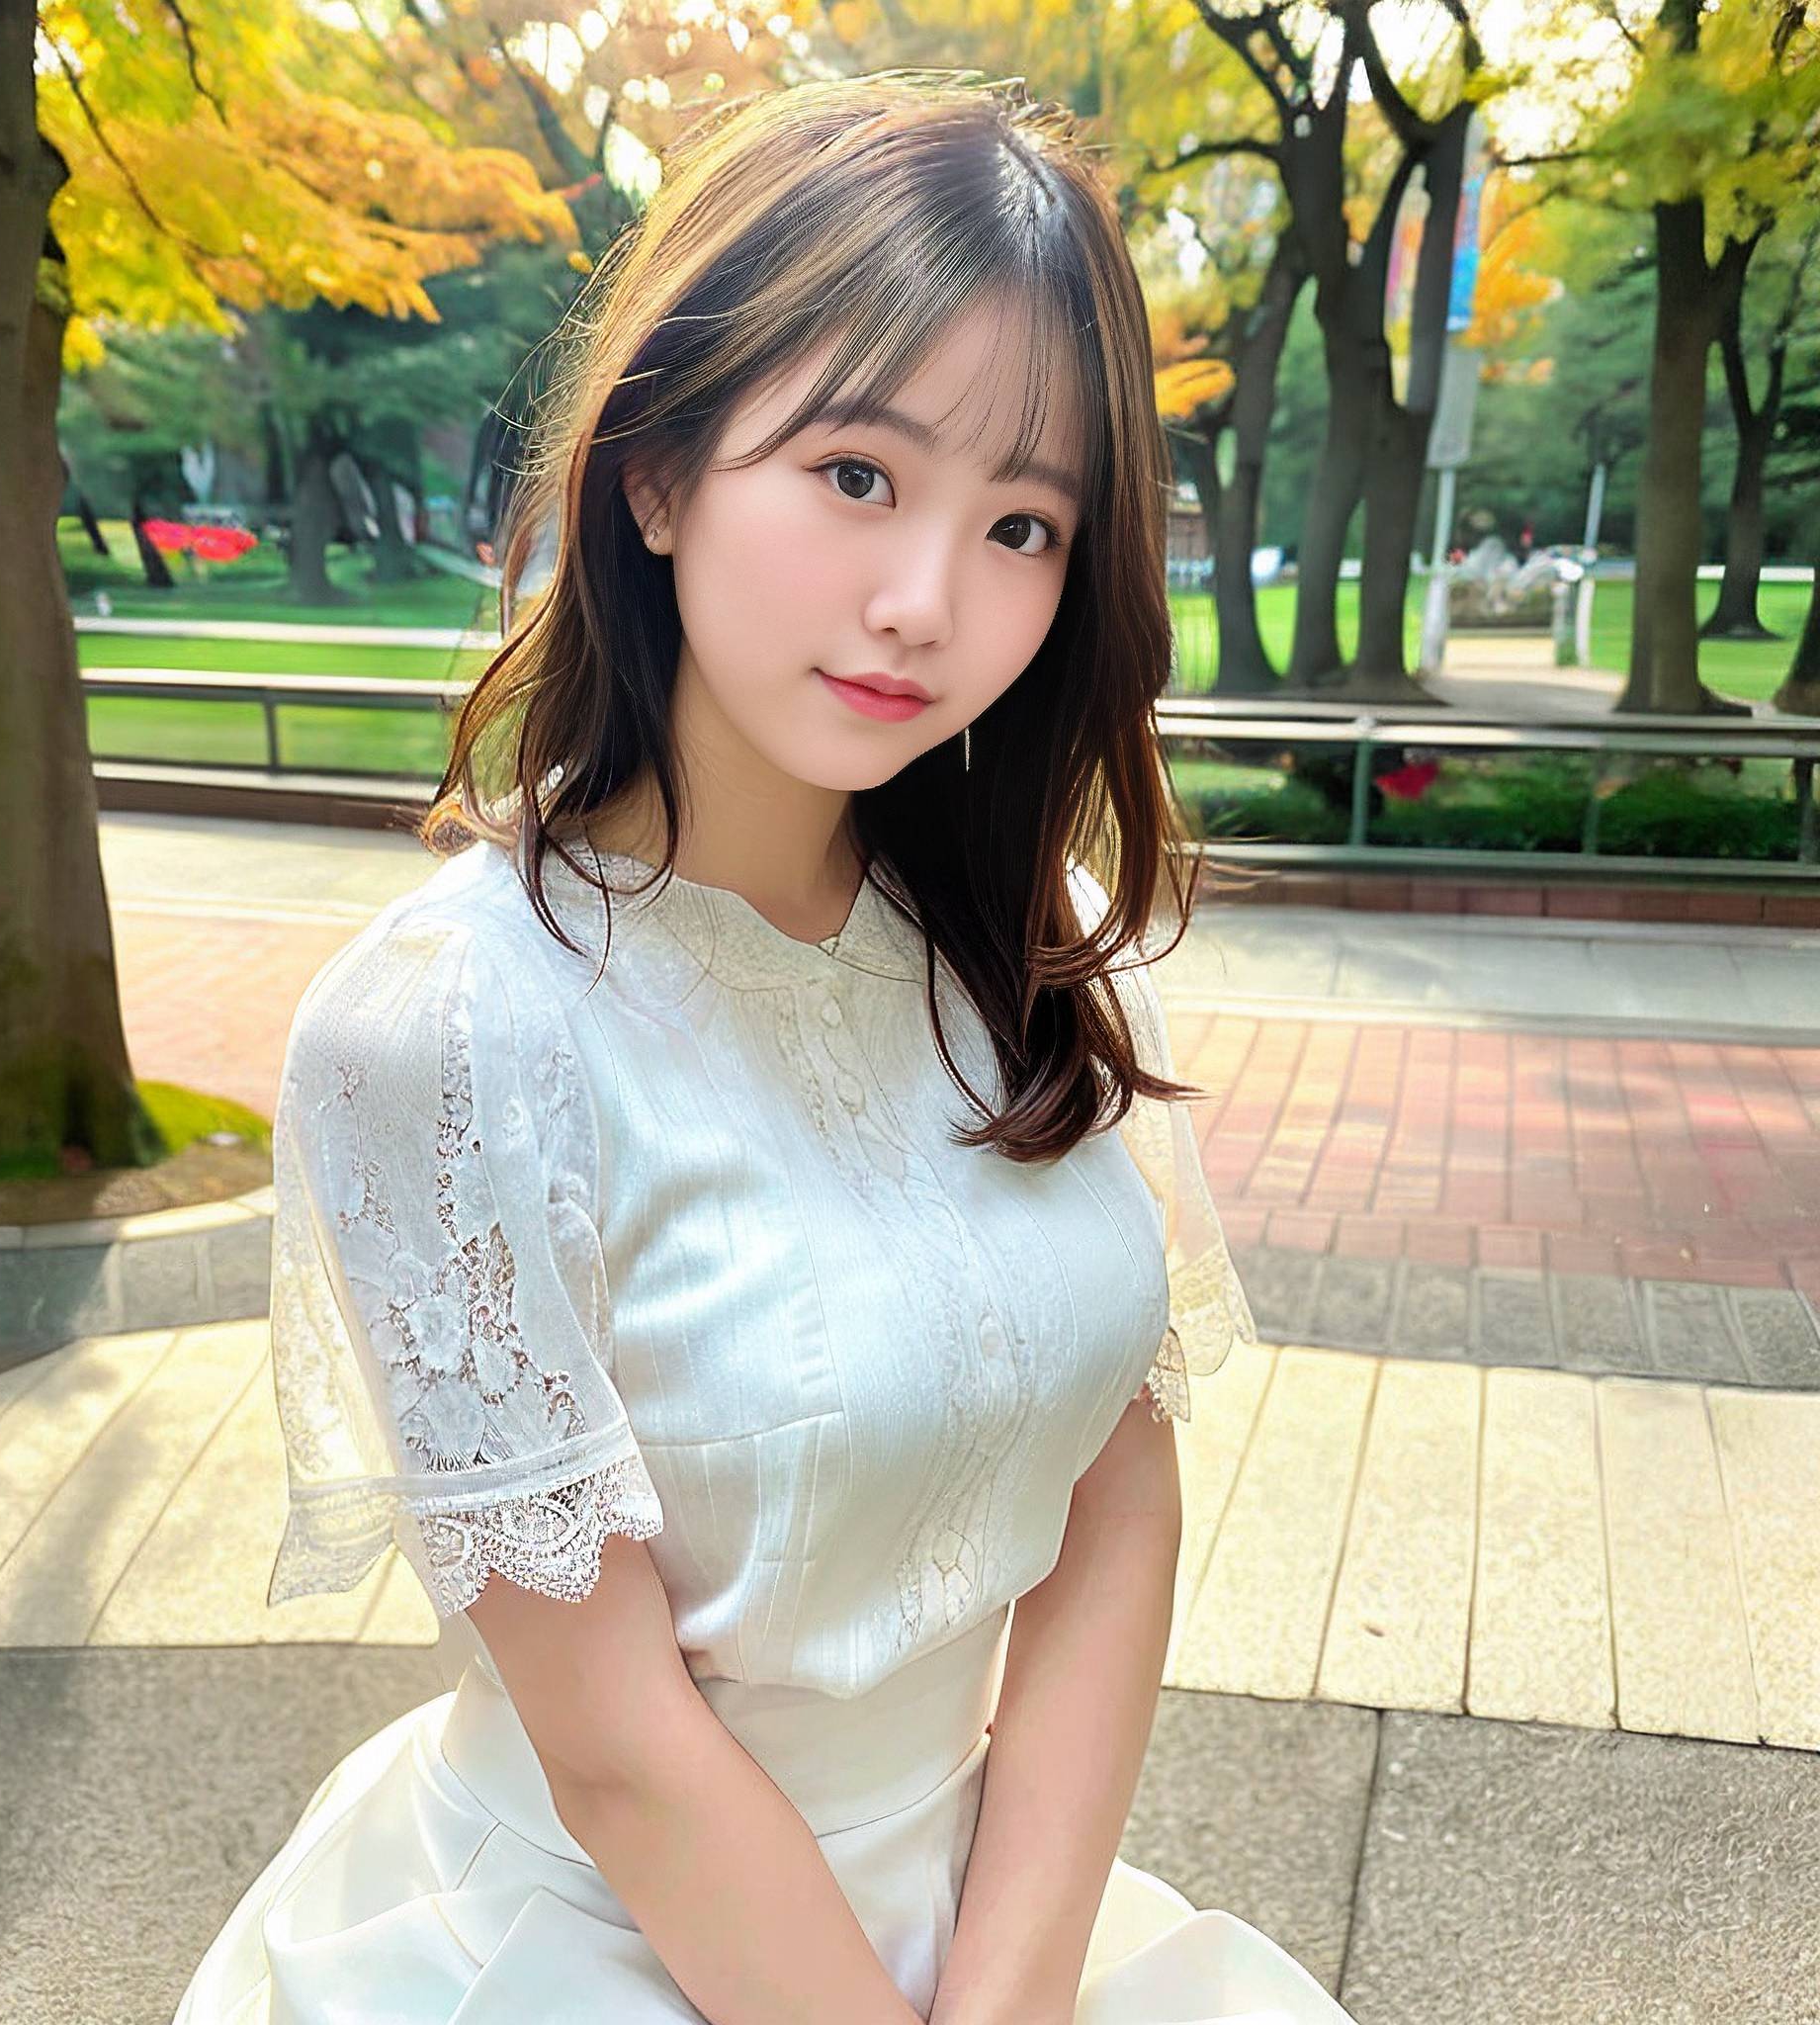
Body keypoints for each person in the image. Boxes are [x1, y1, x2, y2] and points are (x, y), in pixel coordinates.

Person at [173, 72, 1359, 2025]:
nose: (926, 601)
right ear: (655, 469)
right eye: (857, 475)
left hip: (989, 1919)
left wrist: (1010, 1991)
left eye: (1022, 522)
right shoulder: (454, 1035)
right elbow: (620, 1741)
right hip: (598, 1944)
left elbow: (1113, 1486)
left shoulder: (1013, 946)